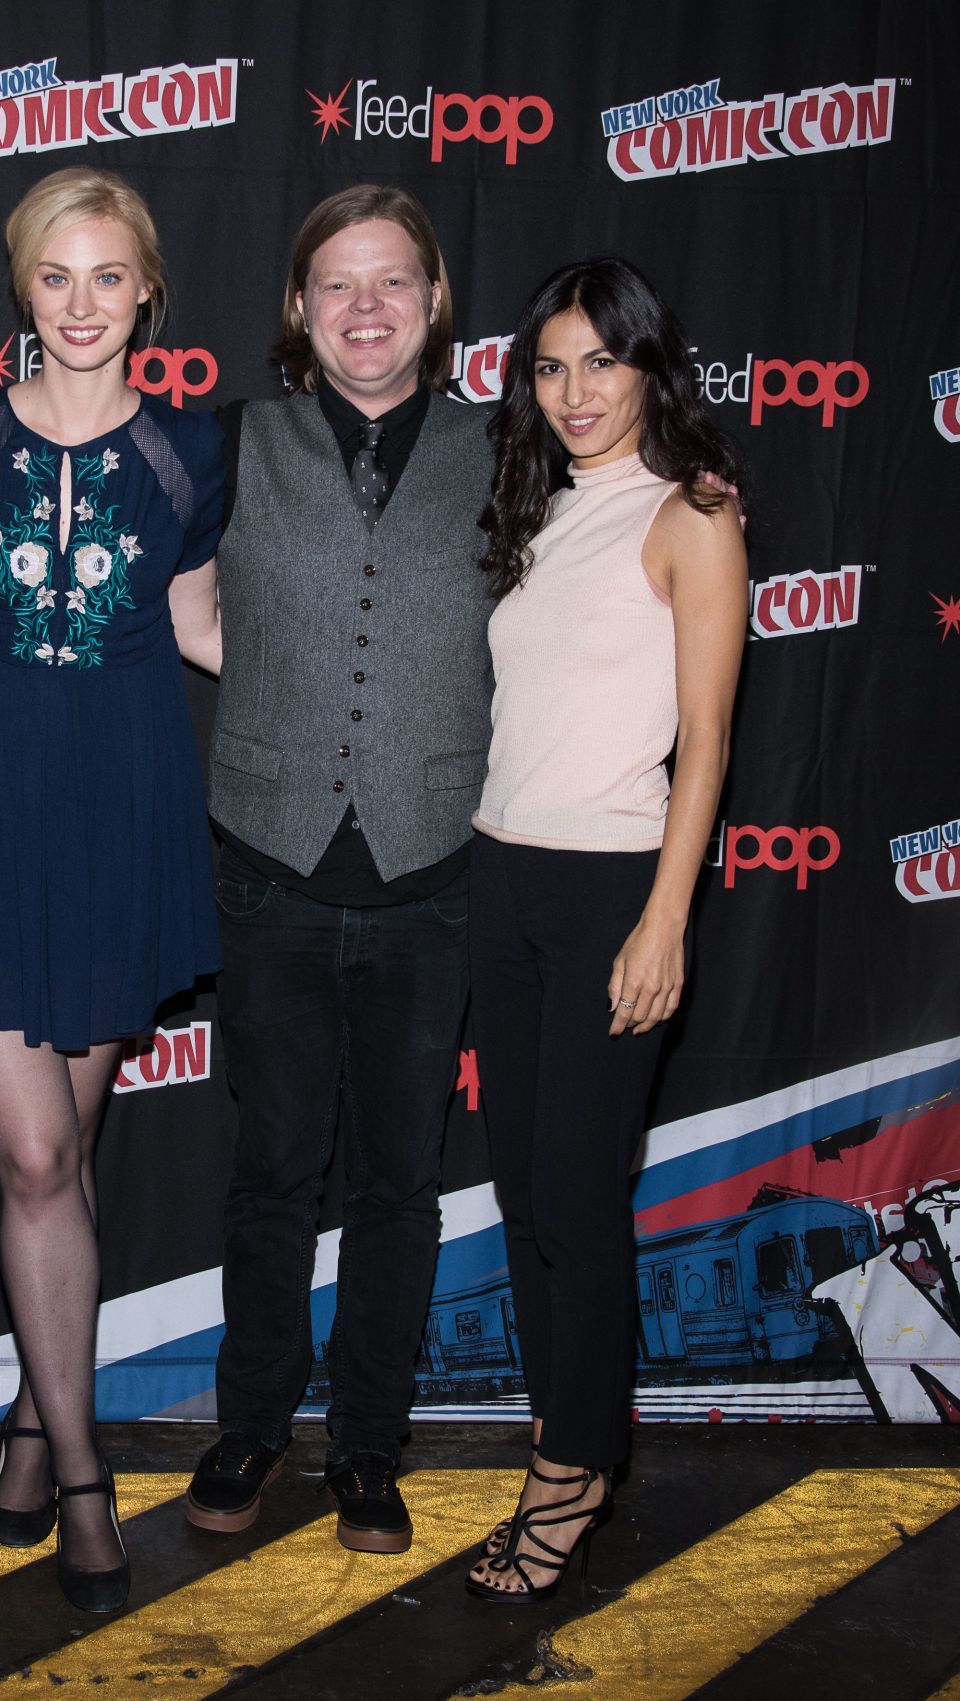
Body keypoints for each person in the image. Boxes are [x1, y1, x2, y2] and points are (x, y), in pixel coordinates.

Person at [0, 166, 224, 1613]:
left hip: (125, 818)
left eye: (107, 276)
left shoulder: (194, 455)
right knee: (34, 1162)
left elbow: (205, 628)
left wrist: (413, 703)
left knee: (64, 1164)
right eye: (53, 277)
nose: (80, 304)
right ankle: (85, 1476)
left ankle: (31, 1427)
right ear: (21, 293)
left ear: (146, 288)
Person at [187, 186, 493, 1552]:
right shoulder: (231, 443)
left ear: (433, 307)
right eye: (336, 285)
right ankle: (251, 1421)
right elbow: (180, 602)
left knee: (394, 1186)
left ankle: (370, 1444)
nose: (365, 309)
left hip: (435, 870)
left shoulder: (513, 449)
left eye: (392, 284)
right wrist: (272, 698)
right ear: (299, 313)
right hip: (269, 866)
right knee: (270, 1172)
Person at [463, 258, 747, 1600]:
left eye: (602, 363)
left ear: (649, 368)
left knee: (579, 1198)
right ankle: (562, 1430)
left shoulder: (692, 515)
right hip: (504, 883)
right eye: (551, 365)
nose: (576, 392)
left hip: (609, 895)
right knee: (529, 1194)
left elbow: (708, 749)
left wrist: (665, 920)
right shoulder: (541, 507)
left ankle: (574, 1470)